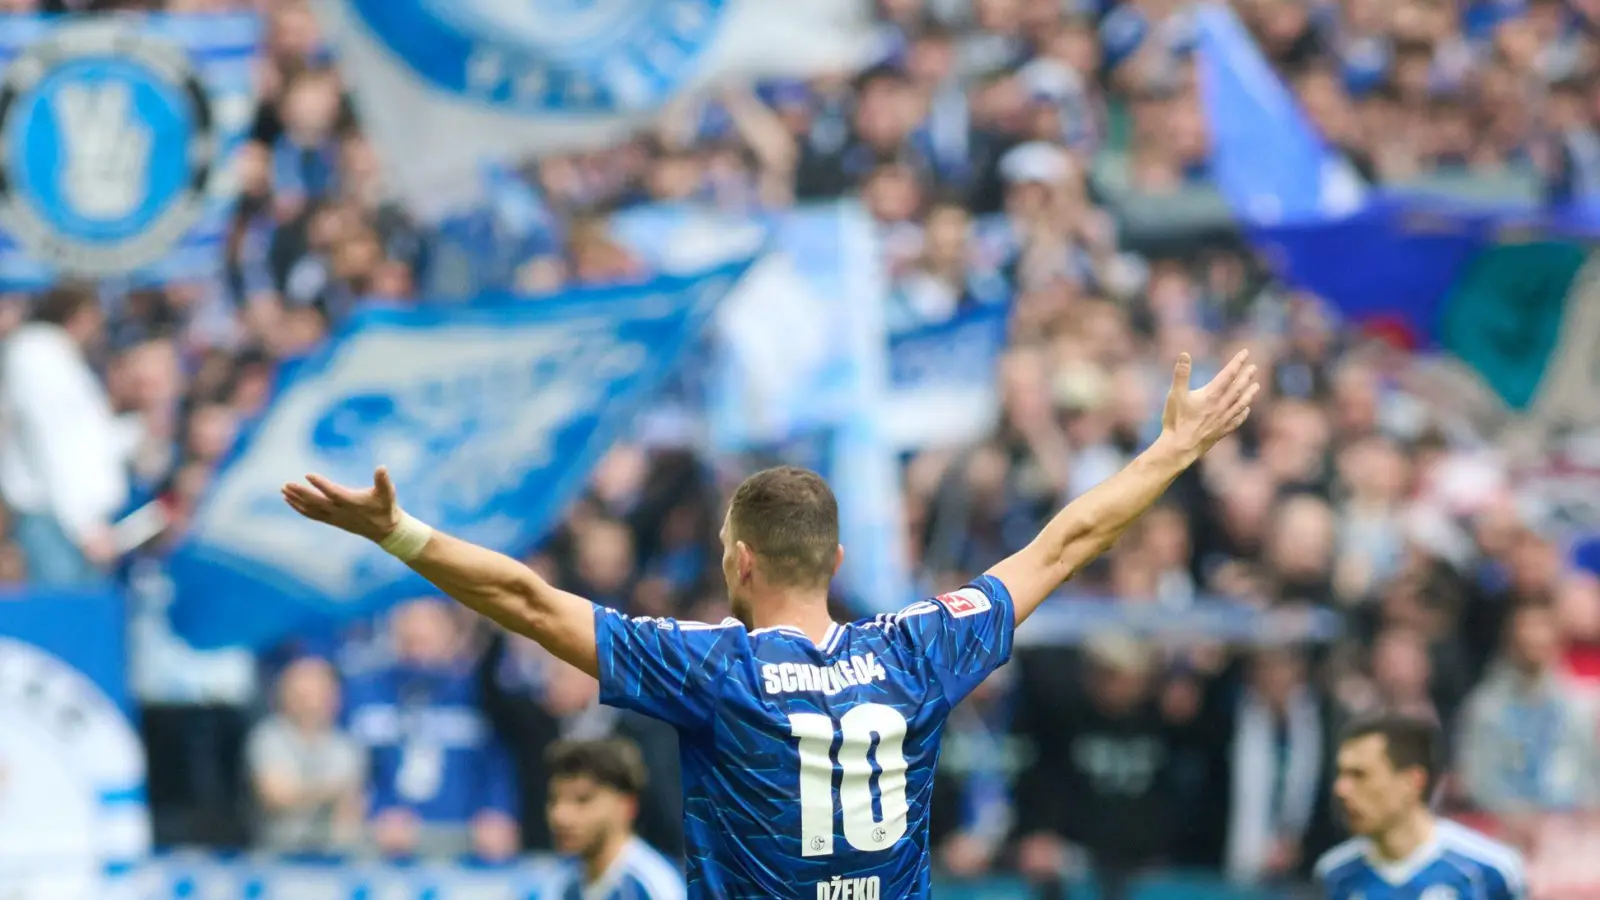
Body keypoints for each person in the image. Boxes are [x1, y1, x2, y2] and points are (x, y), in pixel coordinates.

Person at [281, 350, 1258, 898]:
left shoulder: (712, 669)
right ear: (834, 563)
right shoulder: (915, 646)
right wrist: (1175, 448)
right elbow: (1064, 539)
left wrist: (398, 532)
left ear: (736, 560)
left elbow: (531, 603)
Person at [1315, 715, 1526, 899]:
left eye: (1360, 775)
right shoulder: (1334, 874)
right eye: (1341, 775)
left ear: (1412, 782)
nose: (1341, 789)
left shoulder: (1489, 872)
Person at [545, 738, 686, 900]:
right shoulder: (562, 883)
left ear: (626, 805)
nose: (560, 815)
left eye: (583, 800)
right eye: (554, 799)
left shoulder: (655, 887)